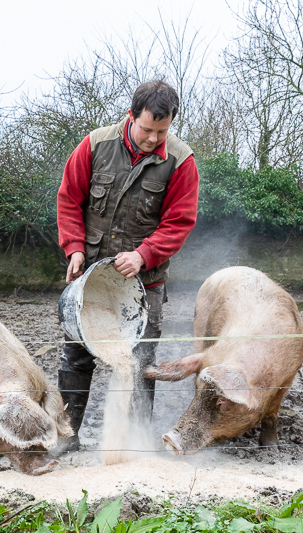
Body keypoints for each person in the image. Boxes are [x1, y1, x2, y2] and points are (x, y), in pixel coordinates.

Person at [55, 80, 199, 451]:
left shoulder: (181, 162)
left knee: (139, 363)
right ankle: (66, 439)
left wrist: (144, 254)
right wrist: (74, 248)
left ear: (171, 124)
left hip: (145, 282)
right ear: (131, 116)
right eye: (147, 129)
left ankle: (132, 447)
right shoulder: (95, 144)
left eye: (161, 131)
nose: (153, 139)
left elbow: (179, 221)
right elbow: (70, 199)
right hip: (91, 277)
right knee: (76, 356)